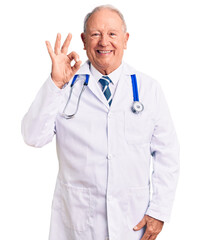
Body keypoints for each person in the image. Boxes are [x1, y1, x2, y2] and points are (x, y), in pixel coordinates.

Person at [21, 5, 179, 240]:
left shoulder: (148, 89)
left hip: (132, 223)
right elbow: (33, 137)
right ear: (84, 41)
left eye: (112, 34)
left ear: (125, 40)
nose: (104, 42)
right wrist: (55, 83)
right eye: (95, 34)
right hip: (77, 224)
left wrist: (159, 211)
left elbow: (167, 154)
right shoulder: (65, 87)